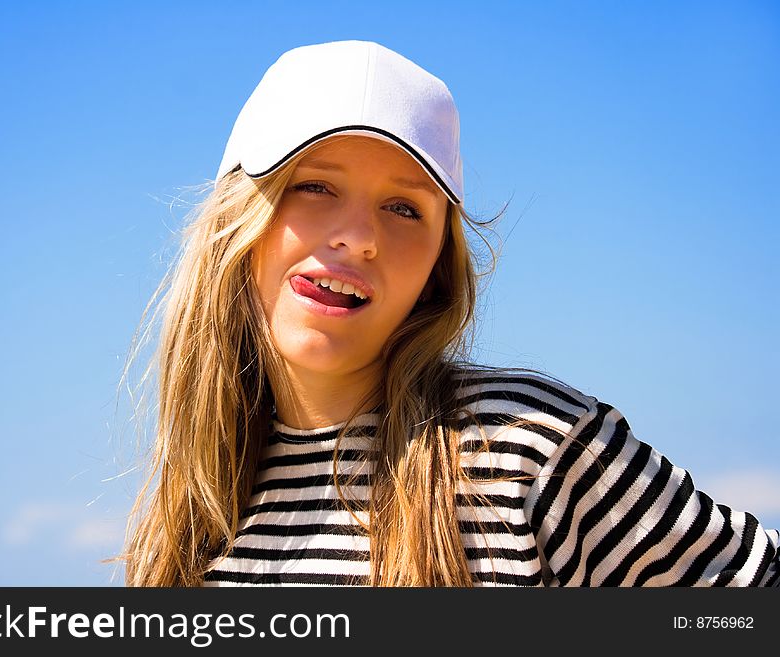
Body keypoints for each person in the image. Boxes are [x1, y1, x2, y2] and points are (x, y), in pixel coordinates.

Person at [120, 40, 779, 587]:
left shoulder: (531, 447)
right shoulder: (194, 518)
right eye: (314, 186)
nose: (359, 235)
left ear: (438, 264)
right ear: (240, 217)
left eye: (404, 207)